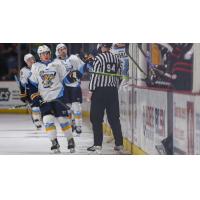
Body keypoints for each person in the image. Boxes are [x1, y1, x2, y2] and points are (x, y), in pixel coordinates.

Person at [28, 45, 75, 153]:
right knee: (47, 120)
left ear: (50, 53)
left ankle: (70, 140)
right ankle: (54, 142)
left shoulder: (58, 63)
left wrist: (74, 76)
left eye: (47, 53)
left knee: (63, 120)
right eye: (43, 53)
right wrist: (37, 98)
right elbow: (32, 85)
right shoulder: (35, 66)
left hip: (58, 96)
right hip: (45, 99)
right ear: (39, 56)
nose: (46, 55)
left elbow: (66, 79)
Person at [87, 43, 124, 154]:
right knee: (114, 118)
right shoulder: (116, 58)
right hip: (112, 91)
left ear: (101, 46)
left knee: (96, 119)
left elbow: (95, 76)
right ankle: (119, 144)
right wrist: (113, 87)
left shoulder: (99, 58)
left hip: (99, 91)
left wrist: (90, 91)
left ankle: (98, 145)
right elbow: (120, 76)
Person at [55, 43, 84, 136]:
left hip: (75, 86)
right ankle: (71, 122)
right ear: (57, 52)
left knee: (77, 106)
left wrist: (78, 73)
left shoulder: (74, 58)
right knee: (67, 108)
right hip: (64, 88)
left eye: (64, 48)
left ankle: (78, 126)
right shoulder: (55, 63)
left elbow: (82, 69)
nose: (63, 50)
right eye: (60, 49)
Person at [19, 53, 42, 129]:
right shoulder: (24, 70)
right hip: (31, 91)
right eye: (29, 60)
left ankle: (41, 118)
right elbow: (22, 84)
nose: (31, 60)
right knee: (35, 106)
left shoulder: (39, 66)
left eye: (32, 58)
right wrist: (23, 95)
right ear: (26, 61)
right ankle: (37, 120)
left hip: (41, 89)